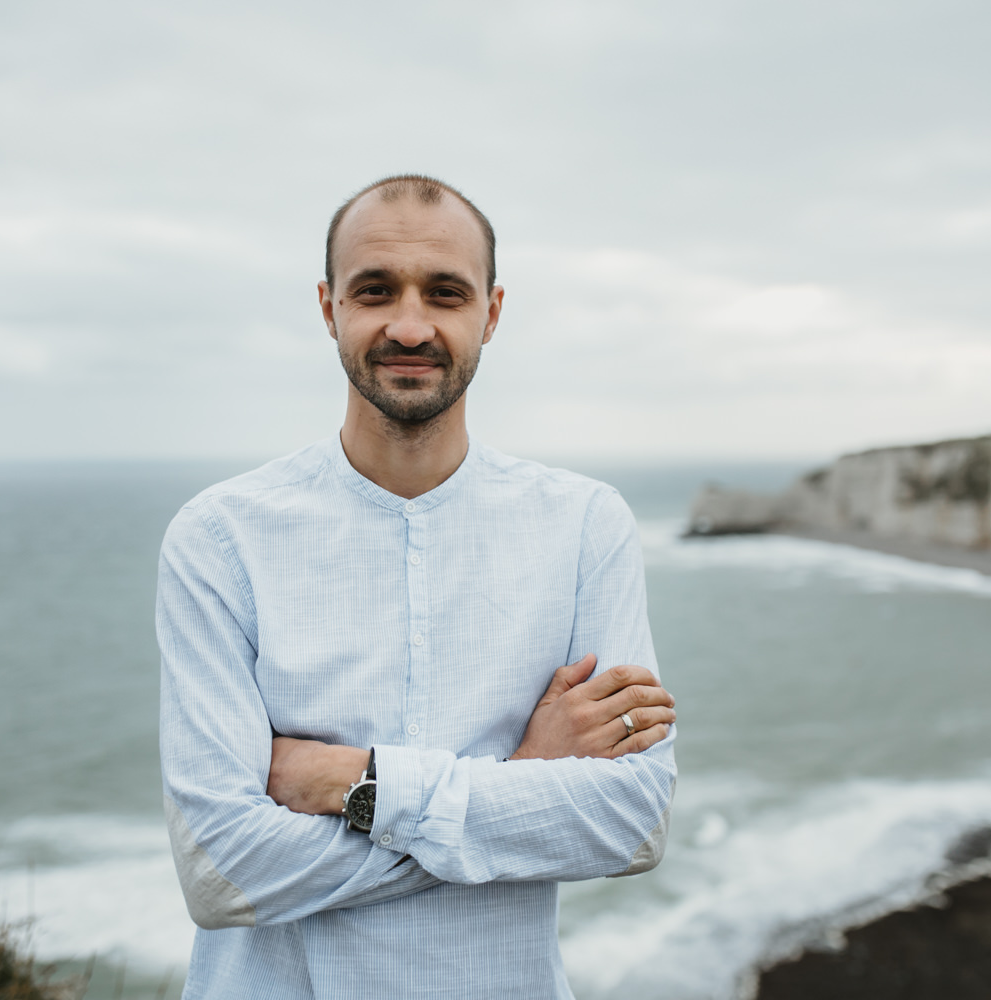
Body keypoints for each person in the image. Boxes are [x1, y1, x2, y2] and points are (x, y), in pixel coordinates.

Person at [157, 174, 677, 999]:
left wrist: (352, 784)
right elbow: (222, 873)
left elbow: (632, 823)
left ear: (492, 313)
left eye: (444, 292)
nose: (409, 325)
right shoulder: (222, 539)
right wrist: (521, 775)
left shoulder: (584, 526)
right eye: (375, 291)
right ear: (329, 307)